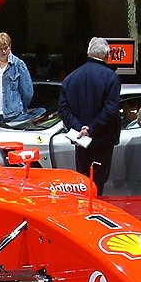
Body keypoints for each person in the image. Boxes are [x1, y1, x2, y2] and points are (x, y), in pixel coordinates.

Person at [58, 37, 122, 196]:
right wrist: (91, 129)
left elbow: (63, 107)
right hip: (102, 139)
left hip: (80, 140)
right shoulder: (111, 77)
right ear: (107, 54)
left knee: (83, 182)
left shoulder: (71, 78)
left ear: (88, 52)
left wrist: (80, 128)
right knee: (98, 184)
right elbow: (111, 109)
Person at [0, 32, 34, 123]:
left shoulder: (18, 64)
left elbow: (28, 91)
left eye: (6, 48)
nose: (4, 51)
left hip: (13, 114)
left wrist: (18, 106)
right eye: (0, 49)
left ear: (10, 46)